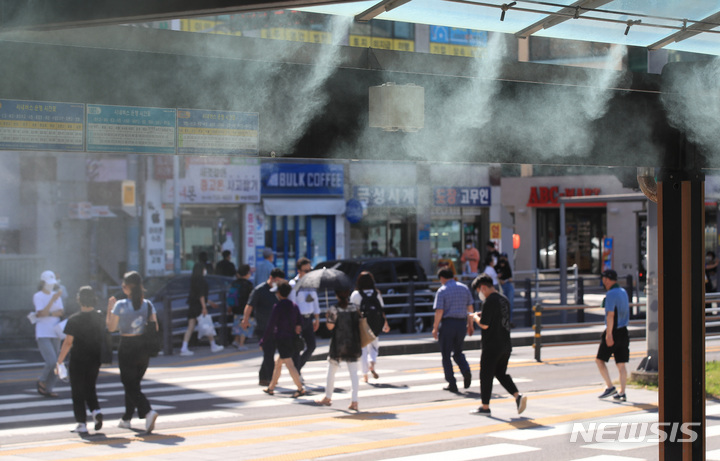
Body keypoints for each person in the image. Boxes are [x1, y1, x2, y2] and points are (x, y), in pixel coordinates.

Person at [106, 271, 159, 433]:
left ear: (127, 288)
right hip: (144, 347)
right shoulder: (148, 304)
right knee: (133, 383)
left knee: (129, 384)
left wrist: (109, 309)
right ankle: (127, 418)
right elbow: (155, 327)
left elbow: (111, 328)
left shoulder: (120, 305)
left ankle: (148, 411)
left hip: (127, 345)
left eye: (123, 286)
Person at [469, 274, 527, 416]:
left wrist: (475, 317)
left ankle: (485, 407)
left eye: (479, 291)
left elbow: (484, 324)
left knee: (486, 374)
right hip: (506, 344)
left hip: (492, 345)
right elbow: (497, 316)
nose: (479, 294)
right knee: (500, 373)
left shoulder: (489, 301)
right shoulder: (503, 299)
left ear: (483, 288)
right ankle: (517, 396)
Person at [57, 286, 104, 434]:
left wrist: (59, 361)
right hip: (95, 358)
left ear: (79, 300)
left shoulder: (74, 319)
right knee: (90, 387)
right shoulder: (99, 317)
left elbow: (68, 342)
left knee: (77, 391)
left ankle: (81, 423)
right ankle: (96, 411)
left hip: (78, 359)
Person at [315, 289, 362, 411]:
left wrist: (327, 317)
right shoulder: (355, 308)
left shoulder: (334, 309)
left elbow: (330, 326)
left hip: (338, 343)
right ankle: (354, 400)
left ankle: (328, 396)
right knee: (354, 372)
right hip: (353, 342)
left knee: (331, 370)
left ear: (337, 296)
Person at [431, 268, 473, 393]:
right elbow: (470, 307)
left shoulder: (442, 290)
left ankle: (452, 382)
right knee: (458, 351)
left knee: (446, 355)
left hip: (448, 324)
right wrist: (470, 325)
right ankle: (466, 370)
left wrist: (435, 328)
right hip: (461, 323)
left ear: (442, 278)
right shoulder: (464, 288)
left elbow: (439, 311)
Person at [242, 268, 286, 386]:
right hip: (263, 327)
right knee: (269, 353)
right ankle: (270, 379)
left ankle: (263, 378)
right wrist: (245, 319)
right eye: (277, 280)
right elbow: (250, 305)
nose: (278, 283)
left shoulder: (278, 291)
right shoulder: (259, 290)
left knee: (269, 353)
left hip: (276, 327)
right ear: (271, 278)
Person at [261, 281, 305, 398]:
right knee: (279, 363)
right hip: (292, 339)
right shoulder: (294, 305)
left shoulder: (278, 306)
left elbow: (271, 325)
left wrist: (263, 340)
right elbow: (300, 321)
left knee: (289, 365)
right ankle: (271, 387)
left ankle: (300, 388)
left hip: (282, 338)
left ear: (279, 293)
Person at [596, 269, 630, 402]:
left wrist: (608, 334)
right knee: (621, 364)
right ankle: (622, 392)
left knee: (599, 360)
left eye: (604, 279)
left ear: (607, 279)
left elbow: (610, 314)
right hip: (624, 331)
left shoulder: (611, 294)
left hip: (613, 331)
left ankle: (610, 386)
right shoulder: (623, 292)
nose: (603, 282)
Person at [350, 271, 390, 383]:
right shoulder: (376, 293)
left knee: (363, 349)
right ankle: (372, 363)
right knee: (374, 346)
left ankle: (365, 374)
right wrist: (385, 323)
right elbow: (382, 309)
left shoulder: (356, 294)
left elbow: (352, 310)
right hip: (376, 323)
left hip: (362, 323)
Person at [180, 262, 224, 356]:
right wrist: (204, 307)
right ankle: (213, 345)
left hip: (192, 306)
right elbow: (201, 295)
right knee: (207, 325)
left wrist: (209, 302)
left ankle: (184, 347)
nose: (205, 271)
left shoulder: (193, 280)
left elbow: (199, 295)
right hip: (199, 307)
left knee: (190, 327)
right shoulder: (202, 281)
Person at [33, 270, 65, 398]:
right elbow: (40, 313)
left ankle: (49, 388)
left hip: (56, 331)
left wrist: (50, 312)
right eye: (48, 283)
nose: (50, 286)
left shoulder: (57, 295)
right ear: (42, 283)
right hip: (43, 332)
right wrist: (52, 301)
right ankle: (41, 380)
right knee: (51, 360)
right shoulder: (38, 296)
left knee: (56, 362)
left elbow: (61, 312)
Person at [288, 257, 320, 374]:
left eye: (310, 270)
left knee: (311, 346)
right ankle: (297, 372)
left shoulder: (311, 283)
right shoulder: (293, 284)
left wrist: (316, 318)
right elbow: (292, 305)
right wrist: (295, 322)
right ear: (299, 271)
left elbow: (315, 301)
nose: (308, 273)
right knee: (297, 347)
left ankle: (297, 368)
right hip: (298, 319)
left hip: (309, 318)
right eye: (306, 271)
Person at [229, 264, 255, 350]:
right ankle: (241, 344)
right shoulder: (249, 284)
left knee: (237, 324)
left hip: (235, 308)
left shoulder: (235, 283)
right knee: (245, 325)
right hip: (245, 308)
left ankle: (236, 340)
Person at [496, 253, 516, 327]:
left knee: (509, 304)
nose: (503, 260)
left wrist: (506, 280)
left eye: (504, 258)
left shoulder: (507, 266)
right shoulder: (497, 267)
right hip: (500, 287)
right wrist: (499, 280)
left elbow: (510, 278)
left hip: (508, 285)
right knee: (501, 305)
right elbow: (495, 276)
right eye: (502, 258)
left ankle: (509, 321)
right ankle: (502, 322)